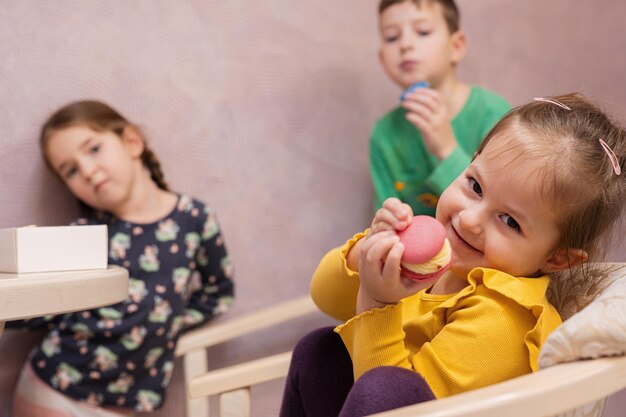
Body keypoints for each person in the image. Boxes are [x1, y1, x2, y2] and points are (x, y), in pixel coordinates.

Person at [280, 93, 626, 417]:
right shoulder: (440, 263)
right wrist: (367, 251)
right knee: (319, 353)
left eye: (509, 222)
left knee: (386, 385)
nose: (470, 219)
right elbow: (324, 296)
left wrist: (377, 303)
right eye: (475, 186)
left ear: (557, 259)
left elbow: (394, 406)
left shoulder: (505, 318)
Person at [7, 100, 235, 416]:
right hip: (53, 387)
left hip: (128, 401)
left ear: (132, 142)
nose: (87, 170)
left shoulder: (195, 218)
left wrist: (165, 320)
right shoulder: (84, 235)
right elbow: (49, 306)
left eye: (94, 149)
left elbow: (219, 294)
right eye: (70, 170)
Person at [371, 0, 511, 216]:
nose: (405, 44)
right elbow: (383, 220)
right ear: (382, 59)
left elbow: (504, 209)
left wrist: (447, 149)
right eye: (392, 37)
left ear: (456, 46)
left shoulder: (494, 114)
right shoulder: (384, 134)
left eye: (423, 31)